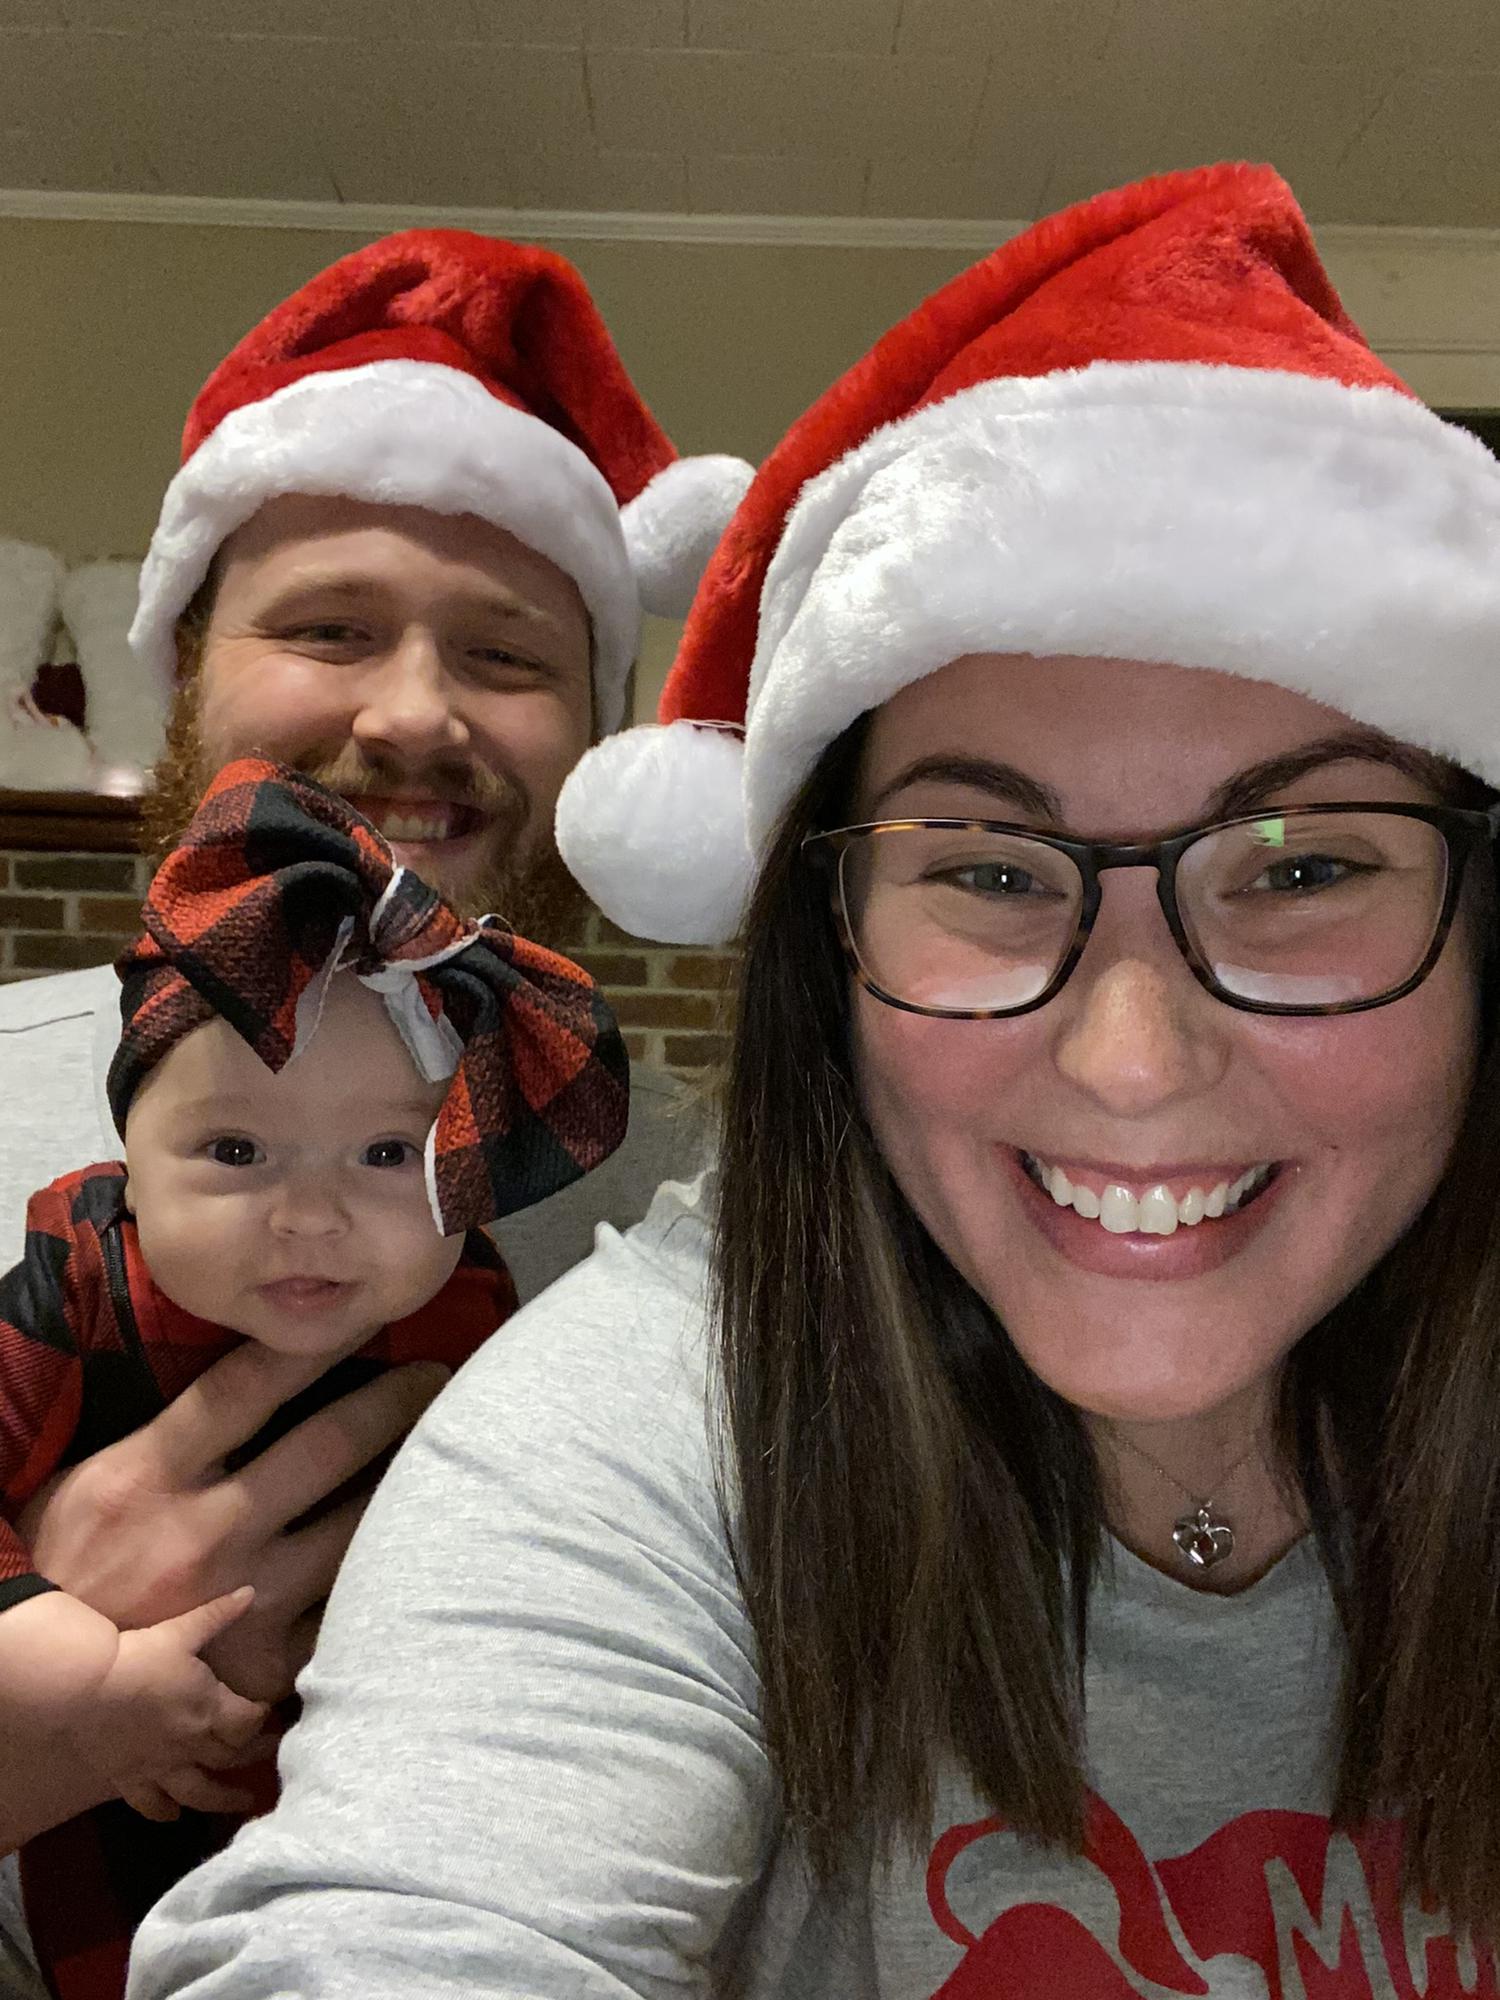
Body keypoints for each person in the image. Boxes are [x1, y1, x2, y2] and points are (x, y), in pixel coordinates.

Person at [129, 163, 1500, 1996]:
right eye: (990, 874)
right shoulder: (664, 1401)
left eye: (1306, 866)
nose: (1134, 1061)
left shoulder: (598, 1138)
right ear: (822, 952)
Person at [0, 228, 745, 1979]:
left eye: (506, 657)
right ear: (187, 676)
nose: (414, 718)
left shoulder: (724, 1206)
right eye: (329, 628)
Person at [1, 754, 626, 1999]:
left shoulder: (476, 1303)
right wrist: (44, 1645)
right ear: (128, 1150)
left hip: (384, 1819)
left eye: (390, 1152)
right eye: (236, 1150)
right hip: (108, 1832)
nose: (311, 1217)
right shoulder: (81, 1272)